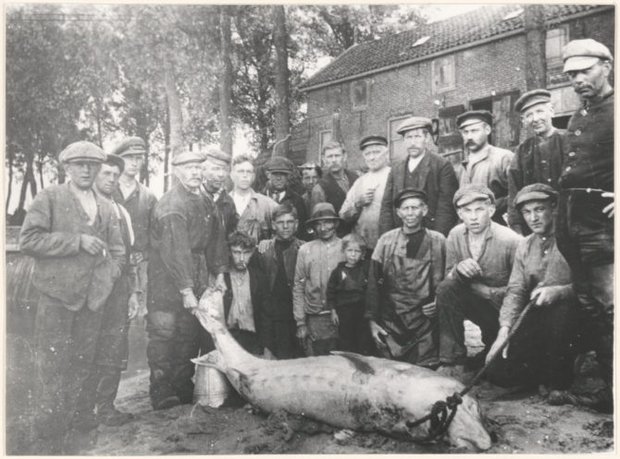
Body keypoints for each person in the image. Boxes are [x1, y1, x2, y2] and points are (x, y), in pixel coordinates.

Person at [19, 141, 125, 453]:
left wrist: (109, 277)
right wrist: (76, 241)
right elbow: (28, 240)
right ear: (67, 168)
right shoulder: (50, 197)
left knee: (85, 362)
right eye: (79, 164)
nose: (86, 170)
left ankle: (80, 424)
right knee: (52, 363)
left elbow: (118, 250)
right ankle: (50, 431)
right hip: (57, 297)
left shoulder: (106, 206)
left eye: (91, 165)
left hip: (93, 300)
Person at [553, 38, 614, 413]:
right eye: (571, 74)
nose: (577, 80)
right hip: (573, 223)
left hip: (603, 229)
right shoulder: (578, 116)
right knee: (591, 308)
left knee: (611, 308)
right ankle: (611, 392)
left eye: (585, 71)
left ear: (607, 66)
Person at [146, 151, 228, 410]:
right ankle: (161, 390)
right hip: (167, 278)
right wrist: (185, 289)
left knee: (189, 332)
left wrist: (220, 273)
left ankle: (182, 383)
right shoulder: (172, 205)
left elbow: (215, 239)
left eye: (197, 168)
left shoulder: (204, 201)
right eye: (188, 168)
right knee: (164, 332)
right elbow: (175, 250)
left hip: (196, 272)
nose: (194, 172)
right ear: (176, 172)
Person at [485, 184, 578, 399]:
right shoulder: (526, 245)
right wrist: (504, 331)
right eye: (527, 212)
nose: (533, 218)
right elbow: (516, 290)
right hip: (538, 317)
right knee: (497, 372)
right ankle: (541, 372)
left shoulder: (573, 238)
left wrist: (560, 292)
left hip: (575, 318)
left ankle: (558, 383)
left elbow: (592, 285)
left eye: (539, 209)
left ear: (554, 208)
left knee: (561, 312)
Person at [77, 154, 138, 428]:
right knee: (88, 347)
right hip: (90, 290)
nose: (111, 179)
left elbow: (130, 255)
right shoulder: (84, 207)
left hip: (118, 290)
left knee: (114, 348)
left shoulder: (121, 211)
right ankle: (83, 411)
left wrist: (133, 292)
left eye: (115, 175)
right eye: (106, 174)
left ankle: (106, 407)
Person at [435, 185, 521, 379]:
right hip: (475, 305)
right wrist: (458, 270)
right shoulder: (456, 235)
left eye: (479, 210)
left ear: (491, 210)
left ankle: (494, 348)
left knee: (501, 376)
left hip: (504, 312)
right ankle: (453, 360)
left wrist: (489, 292)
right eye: (467, 211)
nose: (473, 217)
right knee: (446, 289)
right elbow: (448, 276)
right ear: (459, 213)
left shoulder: (510, 240)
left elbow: (521, 289)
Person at [367, 189, 446, 368]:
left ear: (424, 210)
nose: (410, 213)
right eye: (406, 208)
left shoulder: (438, 241)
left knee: (424, 373)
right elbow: (373, 282)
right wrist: (372, 322)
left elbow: (445, 281)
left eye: (415, 208)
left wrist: (437, 302)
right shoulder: (386, 241)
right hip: (392, 324)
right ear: (399, 212)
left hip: (425, 325)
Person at [379, 117, 458, 237]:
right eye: (408, 137)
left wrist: (436, 240)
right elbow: (387, 206)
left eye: (417, 137)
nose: (412, 142)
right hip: (400, 235)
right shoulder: (396, 168)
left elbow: (446, 209)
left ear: (426, 138)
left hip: (429, 233)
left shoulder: (441, 165)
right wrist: (387, 238)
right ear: (404, 141)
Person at [507, 90, 566, 235]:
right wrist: (516, 226)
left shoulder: (569, 140)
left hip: (567, 220)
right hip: (535, 226)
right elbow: (514, 189)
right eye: (529, 115)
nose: (535, 118)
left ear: (551, 111)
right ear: (524, 120)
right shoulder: (523, 150)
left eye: (540, 111)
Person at [111, 136, 158, 317]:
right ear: (119, 160)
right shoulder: (107, 190)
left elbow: (156, 235)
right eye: (129, 157)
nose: (134, 163)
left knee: (137, 317)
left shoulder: (148, 197)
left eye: (139, 158)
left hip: (138, 268)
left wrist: (145, 253)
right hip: (111, 264)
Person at [293, 203, 345, 356]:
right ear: (314, 227)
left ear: (335, 223)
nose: (323, 228)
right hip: (315, 317)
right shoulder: (305, 250)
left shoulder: (346, 247)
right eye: (319, 224)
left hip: (340, 317)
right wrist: (300, 322)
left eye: (327, 222)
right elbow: (298, 286)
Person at [255, 203, 304, 359]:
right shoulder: (264, 250)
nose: (285, 227)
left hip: (297, 312)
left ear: (296, 224)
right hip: (273, 314)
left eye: (289, 222)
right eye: (280, 223)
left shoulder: (304, 248)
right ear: (273, 225)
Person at [455, 110, 514, 225]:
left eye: (474, 131)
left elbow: (515, 194)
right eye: (465, 132)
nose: (469, 136)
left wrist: (491, 206)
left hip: (497, 225)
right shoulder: (461, 166)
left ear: (487, 130)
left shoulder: (503, 157)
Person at [339, 135, 392, 253]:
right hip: (362, 248)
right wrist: (358, 203)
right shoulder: (360, 181)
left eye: (376, 152)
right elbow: (343, 215)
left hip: (389, 245)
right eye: (368, 154)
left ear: (386, 153)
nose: (372, 157)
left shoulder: (394, 176)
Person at [327, 233, 373, 355]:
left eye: (357, 251)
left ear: (363, 254)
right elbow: (331, 292)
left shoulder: (366, 268)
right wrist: (333, 311)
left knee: (363, 341)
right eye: (350, 250)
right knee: (346, 341)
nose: (353, 254)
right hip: (344, 312)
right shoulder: (338, 271)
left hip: (362, 312)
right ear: (343, 251)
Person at [222, 231, 266, 355]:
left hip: (252, 339)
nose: (241, 258)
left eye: (246, 253)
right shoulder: (222, 278)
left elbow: (265, 314)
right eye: (236, 252)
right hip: (228, 338)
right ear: (229, 253)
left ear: (252, 253)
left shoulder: (259, 277)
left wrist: (264, 345)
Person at [310, 141, 358, 236]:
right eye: (330, 156)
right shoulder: (320, 188)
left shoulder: (357, 178)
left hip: (359, 237)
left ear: (344, 157)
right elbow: (319, 223)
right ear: (324, 159)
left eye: (337, 155)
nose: (334, 160)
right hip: (336, 239)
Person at [230, 154, 278, 243]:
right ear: (232, 175)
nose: (245, 175)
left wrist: (270, 243)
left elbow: (283, 232)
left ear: (253, 176)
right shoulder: (222, 203)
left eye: (249, 172)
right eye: (240, 171)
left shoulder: (267, 204)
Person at [264, 156, 308, 239]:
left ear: (288, 176)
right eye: (275, 174)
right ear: (268, 175)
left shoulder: (297, 200)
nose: (279, 178)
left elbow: (302, 230)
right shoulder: (259, 198)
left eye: (283, 174)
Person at [201, 146, 238, 236]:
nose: (221, 174)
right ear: (203, 170)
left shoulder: (228, 201)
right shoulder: (192, 197)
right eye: (216, 169)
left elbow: (232, 235)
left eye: (224, 169)